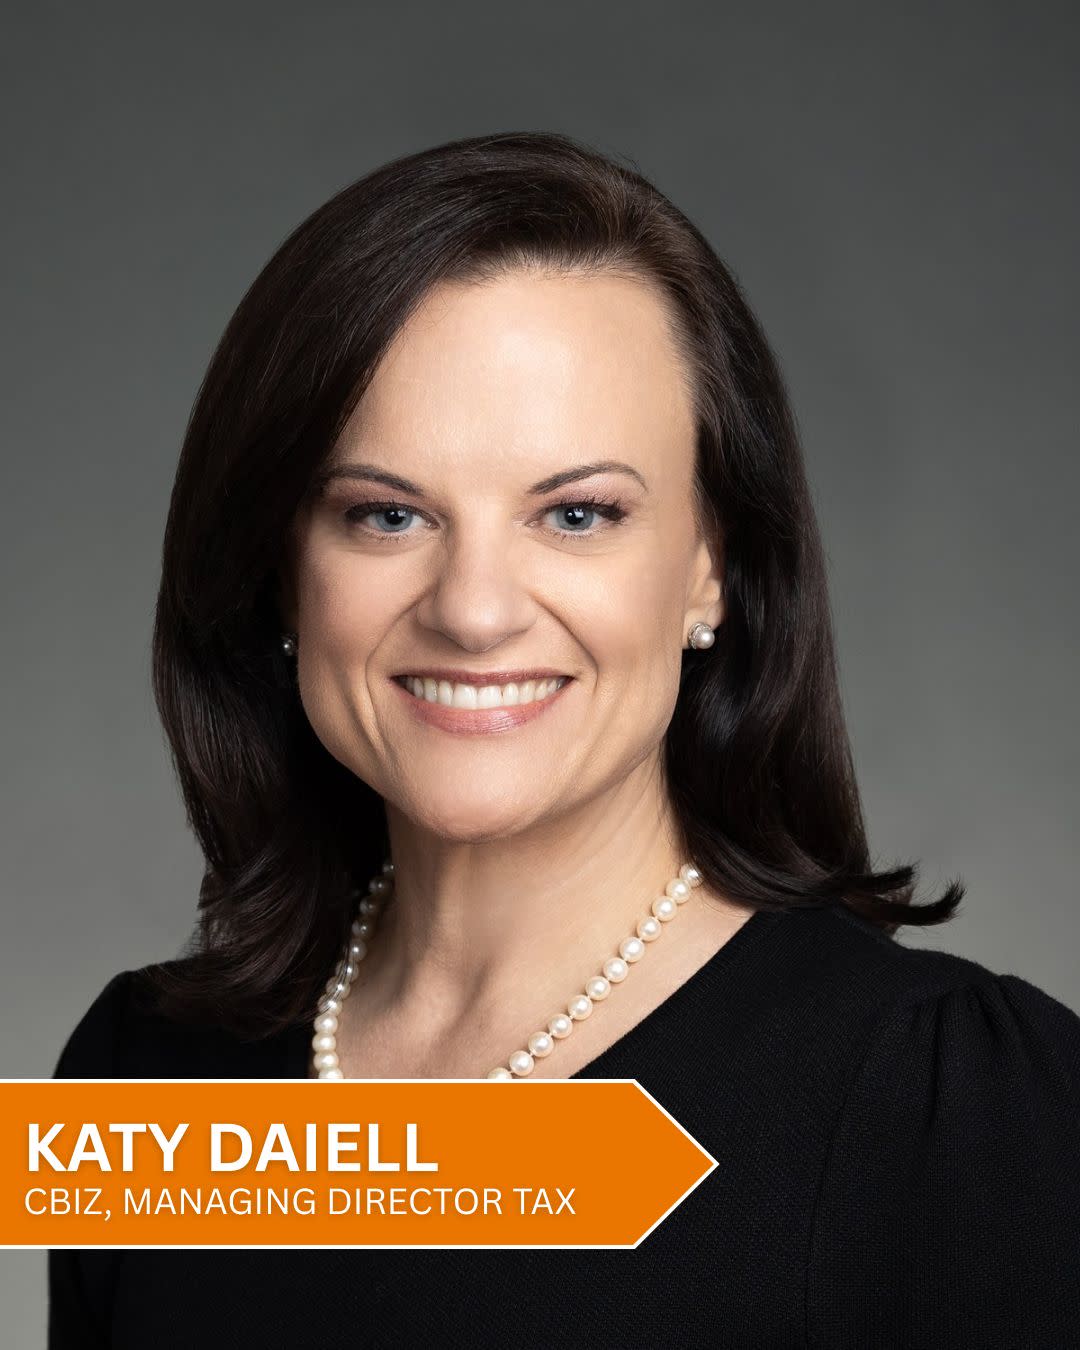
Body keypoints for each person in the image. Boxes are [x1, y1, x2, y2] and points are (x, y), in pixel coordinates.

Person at [49, 130, 1080, 1347]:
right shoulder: (142, 1085)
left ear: (712, 566)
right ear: (280, 570)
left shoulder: (952, 1107)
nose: (475, 610)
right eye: (385, 515)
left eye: (578, 514)